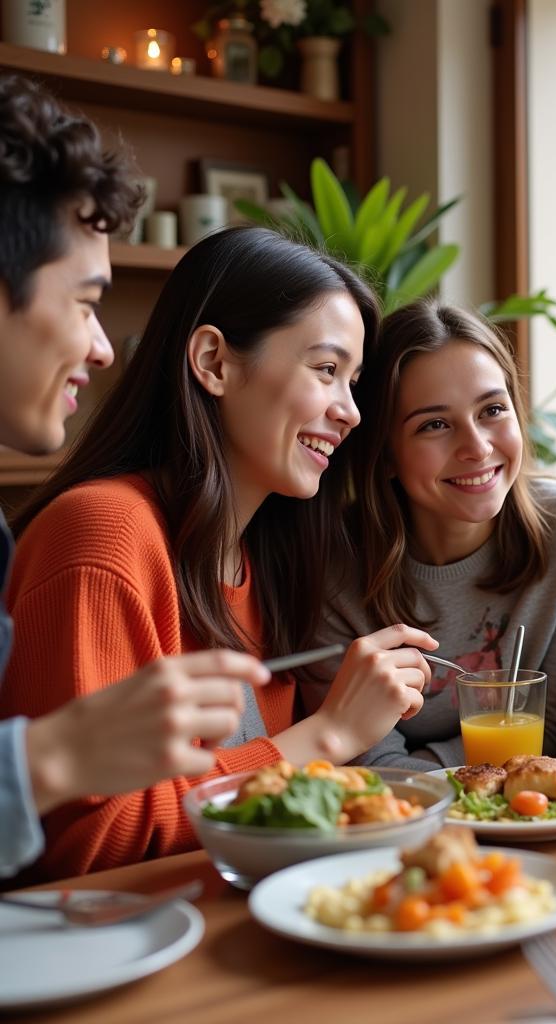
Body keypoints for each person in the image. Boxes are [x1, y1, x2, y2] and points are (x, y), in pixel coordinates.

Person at [0, 225, 437, 879]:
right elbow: (82, 848)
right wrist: (327, 738)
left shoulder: (267, 558)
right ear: (213, 363)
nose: (350, 412)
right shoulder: (104, 536)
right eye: (325, 370)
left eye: (353, 382)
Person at [0, 75, 272, 879]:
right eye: (84, 302)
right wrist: (52, 756)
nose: (102, 346)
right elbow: (81, 847)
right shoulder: (104, 532)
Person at [303, 300, 556, 769]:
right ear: (385, 454)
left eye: (492, 409)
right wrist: (473, 771)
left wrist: (432, 762)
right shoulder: (329, 563)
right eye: (435, 425)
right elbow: (370, 766)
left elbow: (555, 731)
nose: (477, 447)